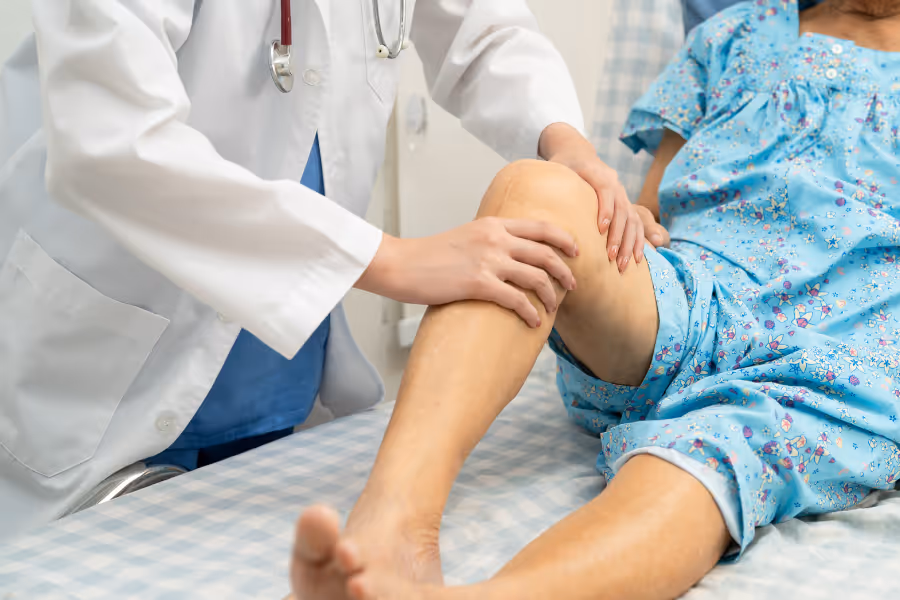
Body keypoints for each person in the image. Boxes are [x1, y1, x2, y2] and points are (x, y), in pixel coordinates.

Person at [288, 0, 900, 598]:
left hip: (845, 353)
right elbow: (653, 210)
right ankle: (392, 529)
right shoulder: (732, 35)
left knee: (713, 449)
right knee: (536, 189)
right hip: (698, 302)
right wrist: (622, 226)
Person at [0, 1, 667, 540]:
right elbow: (111, 142)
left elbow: (481, 28)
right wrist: (394, 258)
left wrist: (562, 138)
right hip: (112, 339)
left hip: (277, 366)